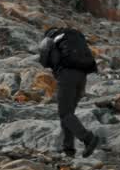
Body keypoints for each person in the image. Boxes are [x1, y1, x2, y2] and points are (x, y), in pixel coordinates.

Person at [39, 26, 101, 157]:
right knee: (69, 114)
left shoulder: (51, 39)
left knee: (65, 113)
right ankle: (68, 149)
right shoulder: (73, 38)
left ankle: (88, 138)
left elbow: (44, 61)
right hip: (82, 76)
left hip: (67, 76)